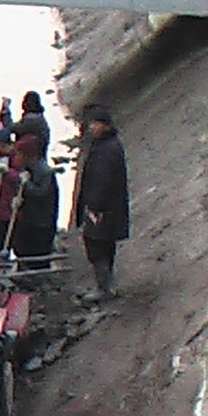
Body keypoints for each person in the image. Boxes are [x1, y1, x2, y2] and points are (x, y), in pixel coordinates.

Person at [76, 105, 130, 300]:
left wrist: (93, 206)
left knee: (96, 246)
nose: (91, 127)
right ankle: (107, 285)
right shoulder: (109, 145)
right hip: (110, 209)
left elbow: (102, 181)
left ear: (105, 125)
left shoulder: (105, 150)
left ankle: (104, 288)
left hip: (102, 210)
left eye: (95, 124)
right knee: (105, 246)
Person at [12, 133, 60, 271]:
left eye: (18, 154)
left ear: (27, 155)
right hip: (28, 220)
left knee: (37, 257)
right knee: (21, 249)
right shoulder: (28, 169)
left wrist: (25, 184)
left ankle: (38, 279)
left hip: (40, 223)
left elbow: (41, 193)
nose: (16, 158)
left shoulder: (44, 172)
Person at [9, 90, 52, 157]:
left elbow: (14, 128)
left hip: (33, 159)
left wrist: (6, 112)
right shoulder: (39, 117)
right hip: (38, 155)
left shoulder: (32, 119)